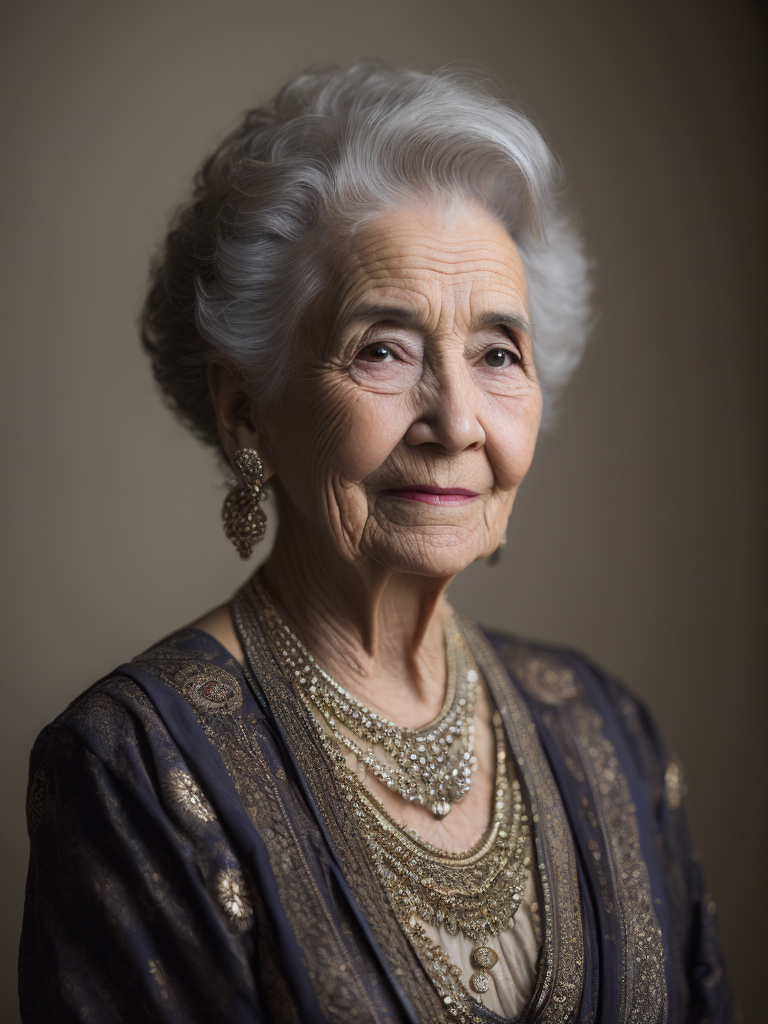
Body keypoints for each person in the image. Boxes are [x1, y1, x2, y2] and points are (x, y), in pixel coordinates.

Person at [19, 62, 732, 1023]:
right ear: (245, 412)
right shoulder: (136, 767)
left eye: (496, 354)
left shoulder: (613, 736)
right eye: (383, 348)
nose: (456, 420)